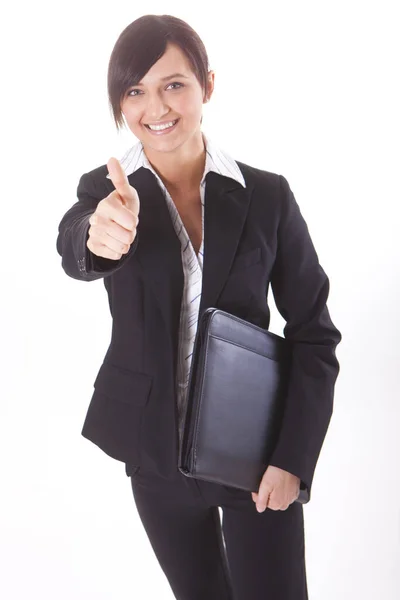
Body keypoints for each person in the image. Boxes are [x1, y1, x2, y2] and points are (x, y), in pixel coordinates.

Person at [56, 13, 342, 600]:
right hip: (153, 455)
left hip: (254, 457)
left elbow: (314, 331)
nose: (154, 107)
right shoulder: (107, 191)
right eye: (134, 91)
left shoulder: (267, 195)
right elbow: (77, 242)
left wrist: (294, 458)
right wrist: (96, 239)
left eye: (174, 84)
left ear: (207, 85)